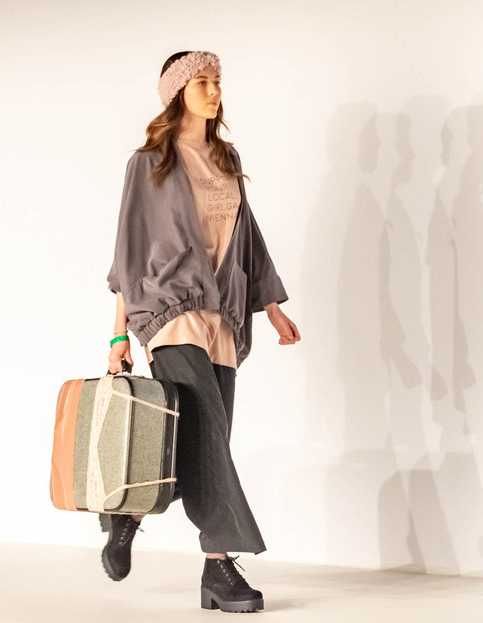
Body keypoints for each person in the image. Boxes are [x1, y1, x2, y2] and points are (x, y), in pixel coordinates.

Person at [102, 50, 301, 613]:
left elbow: (248, 238)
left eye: (217, 82)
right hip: (170, 311)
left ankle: (130, 512)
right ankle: (225, 558)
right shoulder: (150, 162)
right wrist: (118, 337)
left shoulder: (226, 158)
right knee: (208, 432)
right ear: (177, 93)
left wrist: (271, 305)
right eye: (202, 83)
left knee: (206, 437)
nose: (214, 92)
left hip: (224, 314)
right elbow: (128, 252)